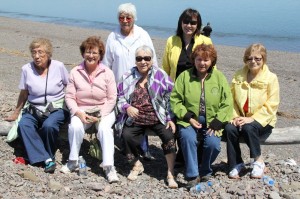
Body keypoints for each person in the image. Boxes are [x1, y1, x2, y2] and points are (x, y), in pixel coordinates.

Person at [170, 44, 233, 188]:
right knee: (187, 138)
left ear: (212, 61)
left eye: (206, 60)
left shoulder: (219, 77)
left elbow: (228, 102)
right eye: (199, 59)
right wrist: (187, 116)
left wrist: (219, 120)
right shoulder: (184, 76)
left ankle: (205, 171)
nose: (202, 63)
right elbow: (175, 99)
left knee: (213, 144)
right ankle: (192, 174)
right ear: (194, 60)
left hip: (213, 120)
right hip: (189, 119)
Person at [115, 45, 178, 189]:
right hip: (135, 117)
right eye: (139, 58)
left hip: (157, 117)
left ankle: (170, 173)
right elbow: (119, 98)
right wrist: (127, 107)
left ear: (151, 60)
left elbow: (171, 98)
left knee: (169, 136)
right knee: (125, 135)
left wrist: (169, 118)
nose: (143, 61)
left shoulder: (160, 75)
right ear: (135, 61)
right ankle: (136, 164)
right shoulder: (127, 76)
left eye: (147, 58)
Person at [5, 38, 70, 173]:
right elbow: (24, 93)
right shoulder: (26, 69)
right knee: (24, 125)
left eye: (40, 52)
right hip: (33, 108)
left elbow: (69, 87)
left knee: (49, 126)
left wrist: (74, 109)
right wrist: (16, 113)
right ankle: (47, 159)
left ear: (48, 53)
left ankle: (39, 157)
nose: (36, 56)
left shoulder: (58, 66)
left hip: (56, 107)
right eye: (34, 52)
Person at [102, 2, 158, 160]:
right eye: (121, 17)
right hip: (120, 84)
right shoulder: (112, 37)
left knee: (142, 112)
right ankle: (126, 148)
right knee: (124, 115)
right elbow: (107, 64)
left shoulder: (143, 35)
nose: (125, 20)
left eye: (128, 17)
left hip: (141, 83)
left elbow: (152, 59)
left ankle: (144, 148)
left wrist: (155, 81)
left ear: (134, 18)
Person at [60, 36, 119, 183]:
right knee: (75, 126)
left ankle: (109, 167)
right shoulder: (75, 72)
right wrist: (78, 112)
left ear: (100, 55)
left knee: (105, 129)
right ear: (83, 53)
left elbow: (112, 97)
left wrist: (100, 114)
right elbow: (69, 97)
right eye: (88, 52)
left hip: (103, 110)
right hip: (82, 109)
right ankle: (73, 161)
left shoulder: (107, 72)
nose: (91, 55)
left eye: (95, 53)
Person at [162, 8, 213, 167]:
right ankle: (181, 154)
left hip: (196, 91)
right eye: (186, 22)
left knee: (195, 120)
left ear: (198, 24)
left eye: (193, 22)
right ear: (180, 22)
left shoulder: (205, 41)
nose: (189, 25)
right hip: (175, 90)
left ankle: (189, 155)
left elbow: (211, 68)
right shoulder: (172, 40)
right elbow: (165, 68)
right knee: (177, 120)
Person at [224, 43, 280, 179]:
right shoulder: (238, 75)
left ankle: (258, 161)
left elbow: (272, 105)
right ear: (245, 60)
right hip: (241, 117)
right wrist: (235, 116)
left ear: (263, 59)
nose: (253, 61)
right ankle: (236, 163)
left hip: (263, 120)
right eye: (249, 58)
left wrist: (252, 118)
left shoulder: (271, 78)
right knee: (229, 128)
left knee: (249, 128)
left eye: (257, 58)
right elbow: (230, 99)